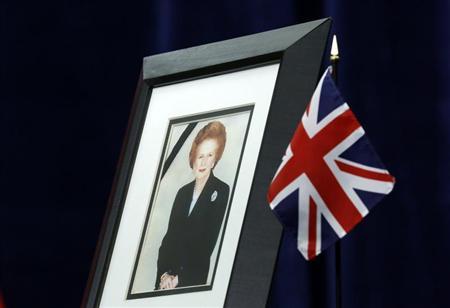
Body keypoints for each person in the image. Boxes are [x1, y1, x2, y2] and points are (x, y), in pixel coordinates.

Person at [155, 121, 230, 290]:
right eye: (200, 156)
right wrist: (164, 275)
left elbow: (207, 244)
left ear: (215, 159)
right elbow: (169, 239)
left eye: (209, 155)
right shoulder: (182, 193)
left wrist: (179, 279)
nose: (203, 162)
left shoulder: (222, 190)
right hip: (166, 281)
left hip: (191, 281)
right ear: (193, 158)